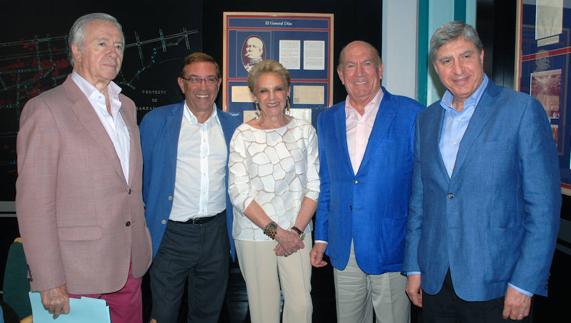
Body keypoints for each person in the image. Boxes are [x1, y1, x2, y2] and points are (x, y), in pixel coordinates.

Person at [403, 21, 561, 323]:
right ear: (436, 68)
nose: (458, 68)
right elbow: (420, 202)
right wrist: (414, 267)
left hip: (498, 284)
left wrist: (525, 282)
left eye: (465, 56)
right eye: (446, 60)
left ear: (481, 56)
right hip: (437, 282)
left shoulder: (521, 110)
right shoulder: (427, 120)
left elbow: (543, 208)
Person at [15, 13, 152, 323]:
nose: (113, 52)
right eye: (101, 43)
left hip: (129, 267)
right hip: (77, 276)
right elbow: (35, 203)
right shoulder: (46, 110)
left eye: (118, 45)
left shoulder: (126, 107)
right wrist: (49, 280)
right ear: (76, 51)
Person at [310, 40, 423, 323]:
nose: (359, 72)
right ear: (340, 74)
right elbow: (327, 184)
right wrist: (321, 236)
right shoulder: (326, 120)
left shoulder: (412, 114)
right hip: (343, 245)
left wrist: (417, 252)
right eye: (350, 65)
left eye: (367, 63)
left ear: (380, 70)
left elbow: (421, 189)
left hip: (392, 245)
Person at [140, 52, 240, 323]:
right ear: (182, 84)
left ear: (219, 83)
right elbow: (138, 179)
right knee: (163, 314)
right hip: (170, 235)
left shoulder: (235, 127)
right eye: (194, 79)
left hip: (216, 236)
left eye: (210, 79)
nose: (203, 87)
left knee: (207, 315)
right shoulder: (156, 122)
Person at [228, 59, 319, 323]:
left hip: (297, 233)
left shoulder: (304, 131)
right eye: (264, 90)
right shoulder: (242, 135)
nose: (272, 97)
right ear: (254, 95)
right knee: (264, 311)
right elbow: (239, 193)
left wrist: (294, 232)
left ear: (288, 91)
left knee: (301, 307)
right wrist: (276, 232)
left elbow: (313, 186)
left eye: (278, 89)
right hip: (254, 235)